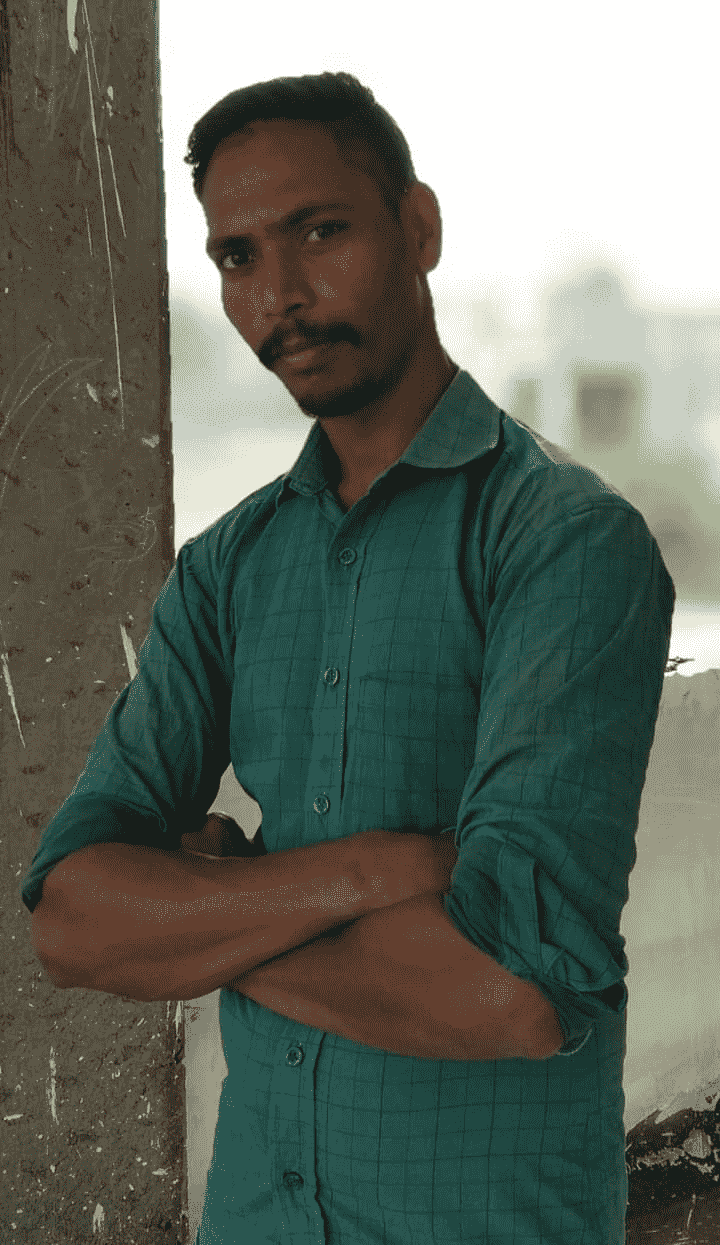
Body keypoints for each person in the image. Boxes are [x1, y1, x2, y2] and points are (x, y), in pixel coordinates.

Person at [22, 71, 675, 1244]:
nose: (279, 293)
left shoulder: (564, 543)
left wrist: (200, 926)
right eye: (237, 257)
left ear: (417, 228)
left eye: (320, 231)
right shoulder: (228, 568)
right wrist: (373, 873)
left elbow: (513, 994)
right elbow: (71, 921)